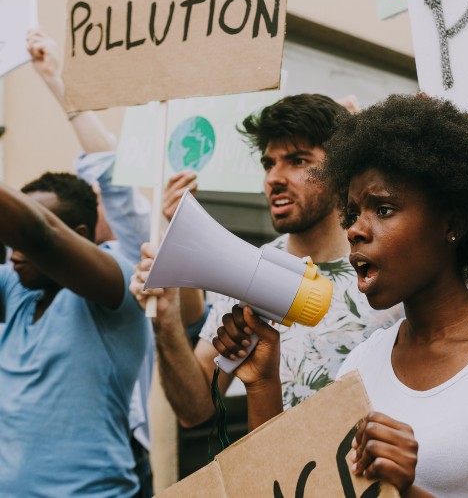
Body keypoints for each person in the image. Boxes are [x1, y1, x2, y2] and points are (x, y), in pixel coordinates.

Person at [213, 94, 468, 496]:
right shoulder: (361, 366)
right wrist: (263, 386)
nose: (355, 230)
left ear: (451, 223)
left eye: (383, 209)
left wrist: (409, 490)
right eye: (353, 214)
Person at [130, 93, 403, 429]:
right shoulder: (246, 273)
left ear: (342, 170)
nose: (274, 177)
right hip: (285, 481)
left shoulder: (389, 268)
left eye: (298, 160)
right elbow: (195, 409)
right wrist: (166, 321)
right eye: (268, 163)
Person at [0, 172, 149, 497]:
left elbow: (40, 234)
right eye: (12, 245)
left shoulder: (117, 283)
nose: (14, 255)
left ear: (80, 236)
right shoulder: (18, 289)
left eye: (25, 247)